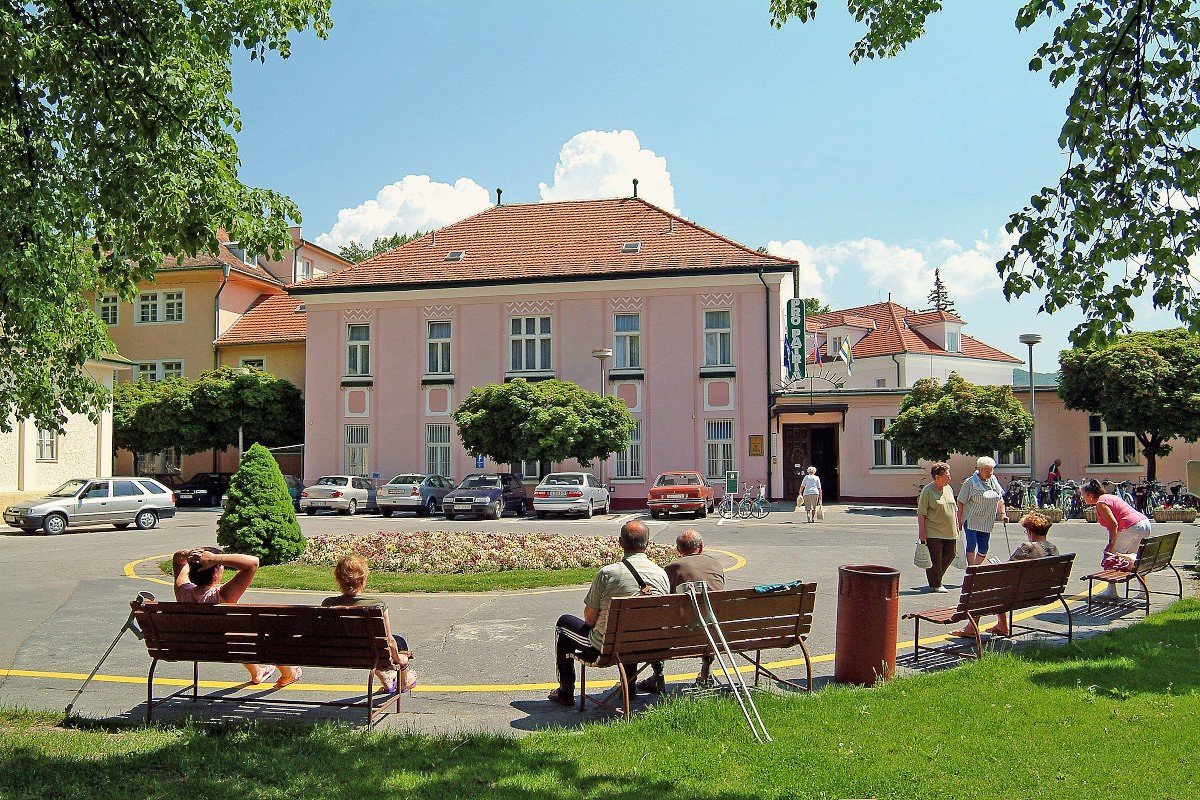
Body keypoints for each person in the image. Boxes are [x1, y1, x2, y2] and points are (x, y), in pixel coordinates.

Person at [548, 520, 669, 707]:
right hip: (646, 644)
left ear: (620, 543)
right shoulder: (661, 574)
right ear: (647, 544)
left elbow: (589, 619)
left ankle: (566, 690)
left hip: (607, 646)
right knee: (630, 629)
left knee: (563, 625)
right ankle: (629, 686)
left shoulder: (608, 573)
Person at [171, 546, 301, 689]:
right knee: (261, 637)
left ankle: (257, 672)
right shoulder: (222, 596)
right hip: (235, 645)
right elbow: (253, 563)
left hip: (199, 648)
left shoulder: (182, 592)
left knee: (236, 636)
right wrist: (215, 558)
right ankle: (288, 674)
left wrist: (188, 554)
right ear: (216, 573)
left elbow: (177, 560)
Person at [637, 529, 726, 694]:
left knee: (655, 623)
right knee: (708, 617)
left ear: (678, 550)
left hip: (679, 635)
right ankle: (706, 672)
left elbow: (663, 599)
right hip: (714, 633)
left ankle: (658, 675)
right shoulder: (716, 565)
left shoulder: (672, 568)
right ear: (701, 547)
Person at [951, 511, 1060, 638]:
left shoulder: (1027, 548)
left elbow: (1006, 571)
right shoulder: (1053, 548)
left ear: (1030, 531)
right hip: (1046, 593)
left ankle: (972, 627)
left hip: (1019, 596)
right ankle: (1001, 625)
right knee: (1001, 588)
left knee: (982, 583)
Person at [321, 555, 416, 694]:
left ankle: (386, 680)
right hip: (371, 653)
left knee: (368, 644)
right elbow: (389, 641)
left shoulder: (328, 604)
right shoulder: (377, 605)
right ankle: (403, 682)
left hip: (339, 653)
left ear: (338, 580)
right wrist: (399, 660)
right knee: (398, 641)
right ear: (363, 580)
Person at [1079, 478, 1152, 598]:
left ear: (1090, 495)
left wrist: (1111, 544)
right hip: (1143, 523)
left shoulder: (1101, 503)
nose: (1082, 498)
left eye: (1083, 495)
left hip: (1131, 527)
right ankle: (1143, 590)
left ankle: (1111, 591)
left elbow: (1113, 525)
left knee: (1111, 556)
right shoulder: (1109, 497)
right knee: (1135, 559)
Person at [956, 456, 1006, 566]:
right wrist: (959, 521)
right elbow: (960, 501)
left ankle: (976, 567)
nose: (990, 473)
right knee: (971, 544)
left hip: (987, 520)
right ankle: (971, 569)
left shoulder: (993, 480)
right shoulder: (970, 483)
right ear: (980, 469)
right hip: (971, 519)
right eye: (987, 471)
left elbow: (1000, 499)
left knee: (984, 548)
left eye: (991, 470)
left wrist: (1003, 514)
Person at [917, 462, 958, 593]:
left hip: (950, 531)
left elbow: (953, 509)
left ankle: (936, 576)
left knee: (951, 554)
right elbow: (921, 513)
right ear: (937, 477)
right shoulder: (928, 491)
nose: (949, 477)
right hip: (933, 530)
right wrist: (922, 532)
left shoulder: (948, 488)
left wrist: (957, 524)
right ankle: (936, 583)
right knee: (935, 558)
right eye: (947, 475)